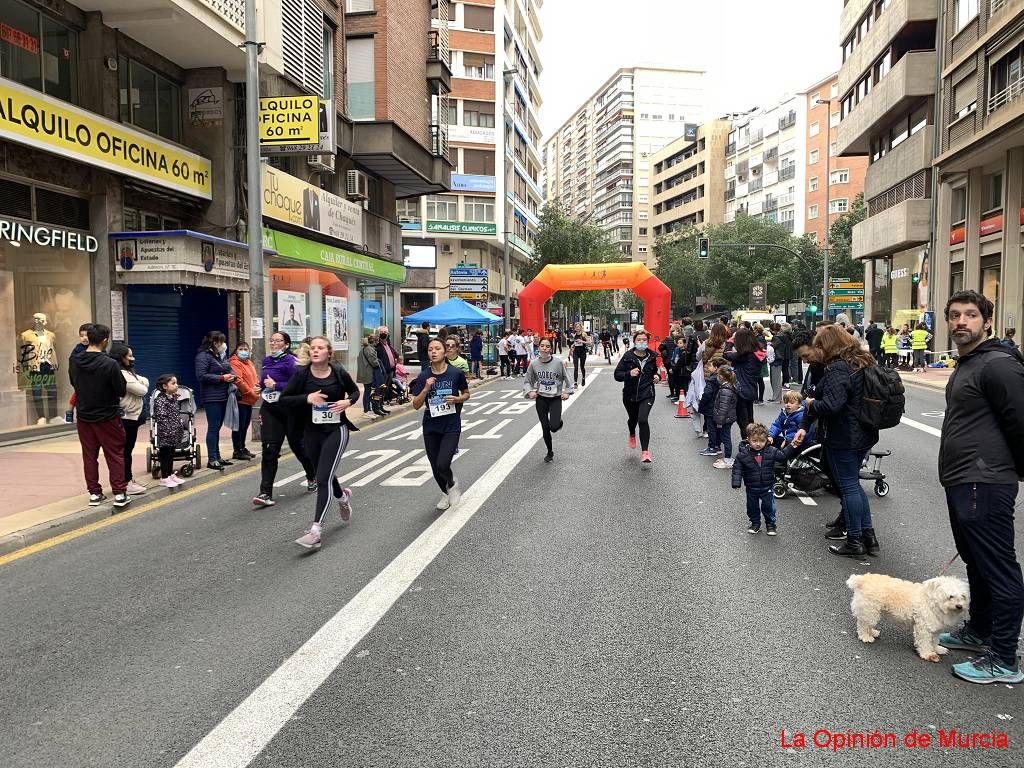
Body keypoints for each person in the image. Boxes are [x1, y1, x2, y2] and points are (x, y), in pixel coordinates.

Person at [936, 290, 1024, 685]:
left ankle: (1004, 657)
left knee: (999, 569)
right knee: (978, 563)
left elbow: (1020, 422)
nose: (961, 322)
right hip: (963, 480)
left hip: (983, 481)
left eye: (970, 315)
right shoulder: (969, 363)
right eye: (954, 315)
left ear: (986, 321)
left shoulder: (998, 365)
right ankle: (980, 631)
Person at [792, 324, 879, 558]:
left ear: (828, 345)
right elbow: (820, 392)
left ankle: (854, 540)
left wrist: (810, 405)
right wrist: (804, 424)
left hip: (844, 436)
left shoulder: (838, 368)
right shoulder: (860, 362)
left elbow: (830, 405)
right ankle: (868, 536)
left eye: (819, 346)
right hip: (862, 434)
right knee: (853, 485)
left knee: (848, 487)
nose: (817, 351)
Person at [281, 337, 358, 550]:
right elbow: (284, 399)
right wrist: (307, 398)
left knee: (322, 478)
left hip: (337, 430)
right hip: (311, 433)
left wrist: (348, 402)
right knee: (324, 472)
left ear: (329, 353)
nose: (315, 351)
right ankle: (342, 498)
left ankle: (316, 531)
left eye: (320, 348)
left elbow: (355, 391)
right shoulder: (302, 375)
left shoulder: (338, 372)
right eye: (313, 348)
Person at [252, 331, 317, 507]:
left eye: (277, 341)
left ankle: (312, 475)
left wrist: (277, 385)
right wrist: (260, 387)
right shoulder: (267, 361)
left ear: (286, 345)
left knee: (298, 446)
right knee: (269, 449)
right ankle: (265, 493)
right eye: (271, 341)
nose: (273, 343)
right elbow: (264, 381)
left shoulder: (291, 362)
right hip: (270, 409)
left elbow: (297, 385)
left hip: (290, 409)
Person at [69, 324, 131, 509]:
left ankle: (94, 494)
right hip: (108, 416)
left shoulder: (75, 361)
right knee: (115, 454)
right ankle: (119, 493)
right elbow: (120, 390)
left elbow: (74, 383)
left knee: (89, 456)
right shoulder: (110, 363)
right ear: (105, 340)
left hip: (84, 416)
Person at [411, 338, 471, 510]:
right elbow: (416, 405)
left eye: (437, 348)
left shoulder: (455, 373)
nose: (433, 352)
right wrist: (425, 389)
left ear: (445, 352)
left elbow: (466, 393)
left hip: (451, 424)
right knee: (434, 465)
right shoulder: (424, 376)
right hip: (431, 424)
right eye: (430, 349)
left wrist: (457, 398)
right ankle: (445, 494)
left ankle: (451, 483)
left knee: (442, 463)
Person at [613, 330, 661, 463]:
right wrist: (629, 373)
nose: (641, 342)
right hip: (630, 395)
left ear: (647, 341)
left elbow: (656, 372)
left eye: (644, 340)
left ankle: (645, 452)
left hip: (647, 393)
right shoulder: (627, 356)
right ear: (634, 341)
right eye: (639, 339)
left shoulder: (652, 356)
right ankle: (632, 433)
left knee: (643, 419)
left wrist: (657, 376)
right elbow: (617, 375)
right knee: (633, 419)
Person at [108, 343, 149, 496]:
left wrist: (139, 381)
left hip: (132, 416)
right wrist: (139, 382)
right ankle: (125, 482)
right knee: (125, 451)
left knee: (127, 450)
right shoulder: (122, 373)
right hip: (127, 416)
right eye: (129, 356)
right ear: (121, 357)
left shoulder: (127, 372)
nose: (133, 358)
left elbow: (144, 380)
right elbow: (142, 389)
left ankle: (129, 479)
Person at [524, 337, 573, 462]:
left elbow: (567, 380)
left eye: (547, 346)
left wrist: (567, 392)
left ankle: (558, 423)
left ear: (551, 348)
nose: (544, 348)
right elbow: (527, 381)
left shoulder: (558, 362)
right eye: (542, 346)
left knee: (554, 427)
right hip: (541, 399)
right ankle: (550, 452)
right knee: (545, 427)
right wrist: (530, 391)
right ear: (539, 347)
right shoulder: (534, 364)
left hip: (555, 398)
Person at [732, 423, 784, 535]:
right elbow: (737, 469)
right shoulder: (743, 454)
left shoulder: (771, 451)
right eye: (754, 441)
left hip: (767, 486)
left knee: (769, 507)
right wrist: (736, 482)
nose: (758, 444)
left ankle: (771, 525)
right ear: (748, 439)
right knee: (752, 507)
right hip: (751, 487)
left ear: (766, 440)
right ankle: (755, 523)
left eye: (761, 441)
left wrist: (793, 446)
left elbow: (783, 456)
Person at [194, 330, 235, 471]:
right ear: (214, 342)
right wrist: (221, 378)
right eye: (221, 342)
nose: (223, 344)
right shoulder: (203, 356)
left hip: (223, 394)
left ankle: (217, 456)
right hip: (212, 396)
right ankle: (212, 459)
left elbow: (228, 368)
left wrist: (232, 376)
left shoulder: (219, 356)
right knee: (213, 426)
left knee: (217, 427)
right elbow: (201, 376)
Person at [725, 326, 764, 437]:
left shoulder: (744, 355)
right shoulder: (756, 353)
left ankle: (748, 444)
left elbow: (726, 353)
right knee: (749, 419)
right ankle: (753, 442)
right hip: (751, 388)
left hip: (741, 390)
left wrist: (730, 340)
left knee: (743, 422)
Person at [152, 374, 187, 488]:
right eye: (173, 383)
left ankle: (170, 474)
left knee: (171, 454)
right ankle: (164, 477)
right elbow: (161, 417)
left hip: (174, 432)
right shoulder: (161, 400)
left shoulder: (173, 398)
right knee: (165, 455)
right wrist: (169, 430)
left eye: (176, 383)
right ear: (164, 386)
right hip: (166, 433)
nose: (176, 385)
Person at [229, 342, 259, 461]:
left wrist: (257, 389)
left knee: (245, 425)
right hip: (241, 399)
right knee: (239, 426)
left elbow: (255, 377)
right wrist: (251, 392)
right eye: (241, 349)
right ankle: (237, 450)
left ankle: (242, 447)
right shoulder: (234, 363)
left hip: (250, 400)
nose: (243, 351)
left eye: (245, 349)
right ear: (236, 351)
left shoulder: (249, 362)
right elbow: (239, 381)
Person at [698, 356, 727, 456]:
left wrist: (701, 404)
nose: (708, 368)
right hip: (719, 407)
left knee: (711, 428)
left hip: (710, 407)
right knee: (718, 428)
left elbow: (707, 394)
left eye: (710, 366)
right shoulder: (723, 379)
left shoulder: (711, 380)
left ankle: (712, 447)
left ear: (716, 368)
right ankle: (717, 446)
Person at [711, 365, 738, 470]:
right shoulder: (730, 386)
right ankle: (727, 457)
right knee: (725, 436)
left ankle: (728, 459)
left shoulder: (725, 390)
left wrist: (719, 421)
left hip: (725, 418)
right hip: (728, 417)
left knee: (726, 437)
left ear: (721, 376)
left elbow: (723, 408)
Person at [357, 334, 386, 418]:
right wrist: (378, 362)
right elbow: (374, 362)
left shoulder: (364, 349)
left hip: (365, 373)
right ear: (374, 341)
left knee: (368, 391)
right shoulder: (369, 349)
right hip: (368, 373)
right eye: (377, 341)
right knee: (368, 391)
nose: (377, 343)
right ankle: (366, 410)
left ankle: (367, 409)